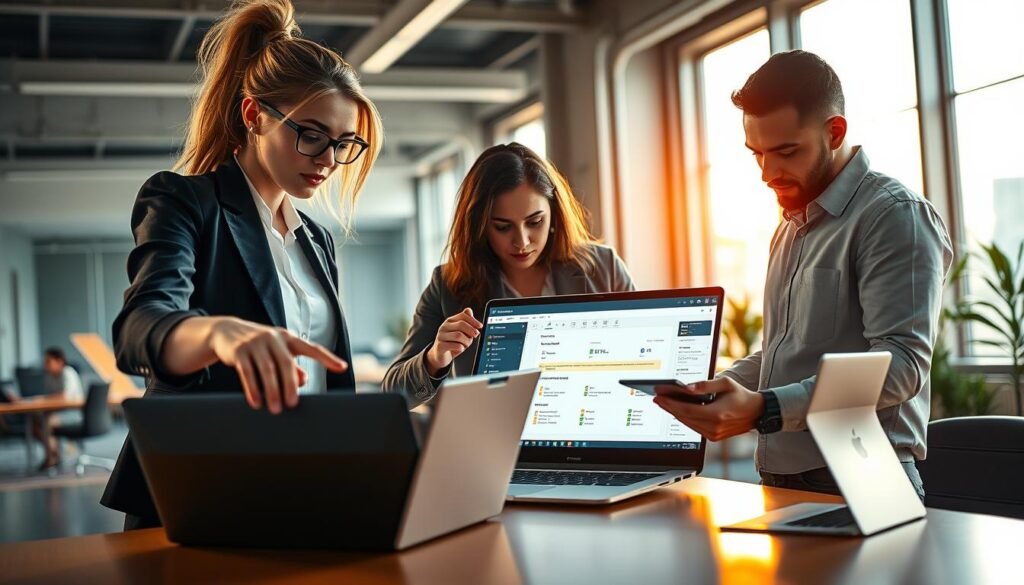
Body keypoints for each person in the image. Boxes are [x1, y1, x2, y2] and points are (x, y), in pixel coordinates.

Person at [101, 0, 384, 530]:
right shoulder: (184, 202)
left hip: (305, 489)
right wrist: (217, 333)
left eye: (343, 143)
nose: (328, 159)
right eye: (312, 134)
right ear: (254, 115)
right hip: (201, 492)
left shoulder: (316, 241)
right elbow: (138, 328)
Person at [652, 51, 952, 498]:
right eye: (757, 154)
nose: (768, 173)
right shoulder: (790, 226)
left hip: (866, 482)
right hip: (781, 479)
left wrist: (765, 409)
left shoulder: (894, 216)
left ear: (835, 132)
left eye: (786, 152)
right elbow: (785, 353)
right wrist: (720, 388)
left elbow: (902, 365)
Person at [383, 143, 635, 407]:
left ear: (554, 215)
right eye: (503, 227)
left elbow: (649, 355)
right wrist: (434, 358)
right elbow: (392, 393)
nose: (522, 242)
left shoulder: (604, 268)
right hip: (493, 443)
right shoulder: (447, 285)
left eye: (535, 222)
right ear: (479, 226)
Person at [29, 347, 84, 470]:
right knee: (34, 424)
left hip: (72, 414)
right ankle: (55, 454)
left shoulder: (68, 373)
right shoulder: (49, 376)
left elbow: (64, 396)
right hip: (56, 412)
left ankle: (51, 458)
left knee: (47, 421)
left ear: (59, 361)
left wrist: (43, 399)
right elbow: (50, 397)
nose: (45, 365)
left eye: (48, 361)